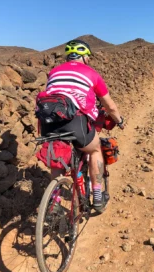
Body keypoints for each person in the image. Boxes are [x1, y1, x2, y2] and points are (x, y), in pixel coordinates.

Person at [37, 39, 124, 212]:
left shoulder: (54, 71)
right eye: (88, 57)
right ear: (84, 57)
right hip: (75, 122)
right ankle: (98, 196)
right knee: (95, 149)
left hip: (48, 121)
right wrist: (119, 120)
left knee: (58, 158)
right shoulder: (91, 73)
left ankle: (54, 200)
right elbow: (110, 106)